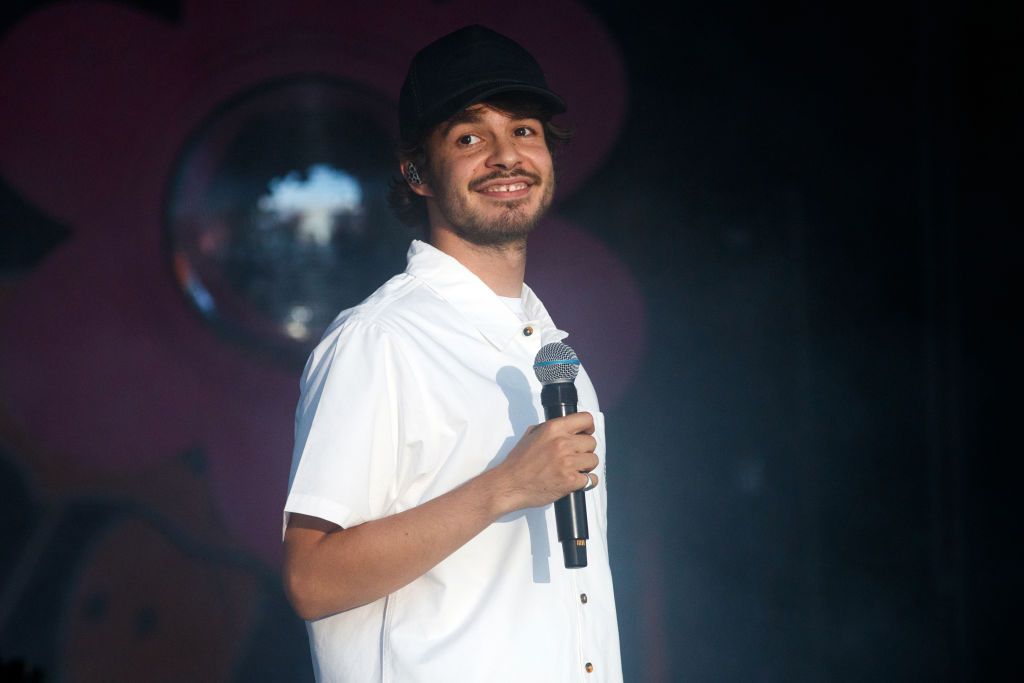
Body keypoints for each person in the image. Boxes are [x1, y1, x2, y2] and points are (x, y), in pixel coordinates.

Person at [282, 25, 622, 682]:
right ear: (416, 172)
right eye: (470, 137)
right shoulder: (382, 339)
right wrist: (505, 487)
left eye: (525, 130)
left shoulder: (552, 352)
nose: (506, 155)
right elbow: (311, 578)